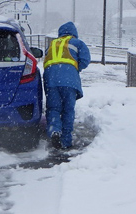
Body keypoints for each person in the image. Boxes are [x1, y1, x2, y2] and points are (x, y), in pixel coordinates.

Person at [43, 21, 91, 150]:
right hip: (69, 81)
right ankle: (65, 141)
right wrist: (74, 69)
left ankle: (54, 131)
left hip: (51, 80)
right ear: (74, 33)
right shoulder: (78, 43)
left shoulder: (52, 44)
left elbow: (46, 60)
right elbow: (85, 60)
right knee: (68, 110)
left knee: (53, 108)